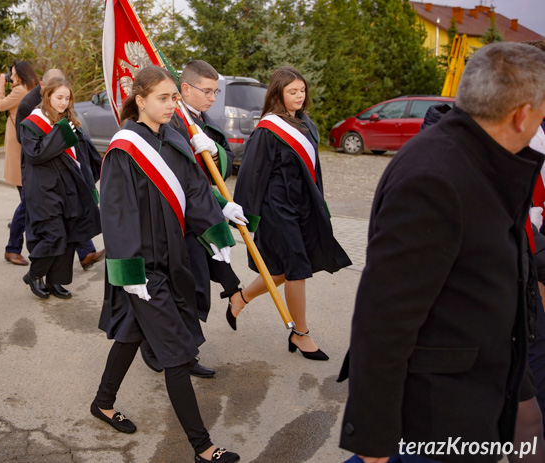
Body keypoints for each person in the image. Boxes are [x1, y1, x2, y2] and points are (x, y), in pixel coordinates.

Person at [339, 42, 545, 463]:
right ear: (522, 114)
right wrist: (373, 440)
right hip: (436, 415)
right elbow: (384, 316)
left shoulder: (486, 160)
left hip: (479, 390)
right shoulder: (436, 176)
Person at [92, 66, 240, 463]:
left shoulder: (172, 139)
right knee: (176, 353)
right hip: (142, 269)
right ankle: (203, 447)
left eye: (175, 97)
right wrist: (128, 272)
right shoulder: (124, 148)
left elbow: (193, 190)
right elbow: (116, 212)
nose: (173, 104)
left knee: (132, 333)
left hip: (171, 259)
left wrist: (219, 222)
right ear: (140, 100)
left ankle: (103, 403)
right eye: (164, 97)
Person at [230, 67, 350, 359]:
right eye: (292, 91)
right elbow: (251, 174)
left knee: (282, 272)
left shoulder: (305, 123)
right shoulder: (268, 129)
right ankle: (300, 333)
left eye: (302, 90)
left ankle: (240, 296)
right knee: (297, 270)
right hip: (276, 209)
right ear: (278, 94)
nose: (299, 96)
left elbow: (313, 171)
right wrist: (245, 215)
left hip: (302, 207)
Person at [139, 59, 246, 378]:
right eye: (208, 91)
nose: (213, 97)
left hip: (199, 217)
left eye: (216, 91)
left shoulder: (202, 120)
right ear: (185, 89)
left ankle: (184, 350)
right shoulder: (168, 123)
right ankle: (160, 347)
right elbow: (174, 178)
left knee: (195, 289)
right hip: (175, 221)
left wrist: (215, 153)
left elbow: (221, 168)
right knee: (179, 289)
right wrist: (217, 204)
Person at [19, 76, 101, 299]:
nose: (64, 102)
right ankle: (35, 274)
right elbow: (37, 155)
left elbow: (83, 155)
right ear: (47, 97)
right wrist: (61, 130)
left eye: (67, 98)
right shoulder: (31, 123)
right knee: (54, 236)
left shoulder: (70, 122)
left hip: (70, 187)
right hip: (45, 190)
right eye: (59, 97)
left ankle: (56, 281)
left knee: (69, 235)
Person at [0, 61, 38, 267]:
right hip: (22, 147)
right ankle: (14, 247)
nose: (11, 77)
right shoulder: (30, 88)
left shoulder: (20, 90)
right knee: (28, 200)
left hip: (17, 146)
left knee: (27, 200)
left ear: (20, 75)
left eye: (12, 74)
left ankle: (13, 247)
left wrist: (0, 84)